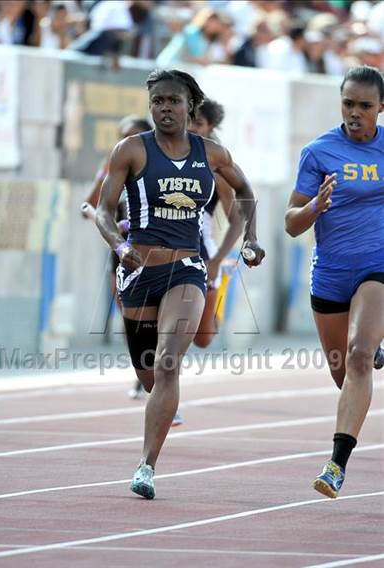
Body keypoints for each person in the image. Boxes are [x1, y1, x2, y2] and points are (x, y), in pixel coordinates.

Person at [95, 69, 264, 499]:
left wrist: (251, 239)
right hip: (137, 269)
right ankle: (156, 404)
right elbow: (103, 209)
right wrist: (118, 243)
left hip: (188, 267)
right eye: (157, 101)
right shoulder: (131, 150)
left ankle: (146, 466)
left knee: (169, 363)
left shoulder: (211, 153)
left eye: (172, 100)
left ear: (190, 106)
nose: (164, 108)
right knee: (149, 372)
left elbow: (245, 192)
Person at [285, 65, 384, 499]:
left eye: (365, 105)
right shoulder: (318, 152)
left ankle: (335, 466)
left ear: (381, 107)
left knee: (360, 356)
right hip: (330, 273)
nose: (355, 113)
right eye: (348, 103)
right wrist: (314, 208)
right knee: (343, 372)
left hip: (377, 266)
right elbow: (290, 223)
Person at [83, 115, 152, 400]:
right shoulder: (112, 164)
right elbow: (90, 203)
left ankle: (157, 367)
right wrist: (103, 218)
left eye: (134, 136)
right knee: (128, 315)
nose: (127, 142)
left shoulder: (155, 164)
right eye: (123, 136)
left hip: (154, 246)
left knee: (157, 314)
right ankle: (141, 371)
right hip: (122, 249)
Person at [189, 98, 243, 348]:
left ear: (210, 127)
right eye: (187, 120)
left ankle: (215, 303)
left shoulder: (217, 169)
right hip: (163, 251)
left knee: (203, 339)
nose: (190, 127)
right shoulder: (160, 156)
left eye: (197, 123)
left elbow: (237, 220)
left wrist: (217, 260)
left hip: (201, 252)